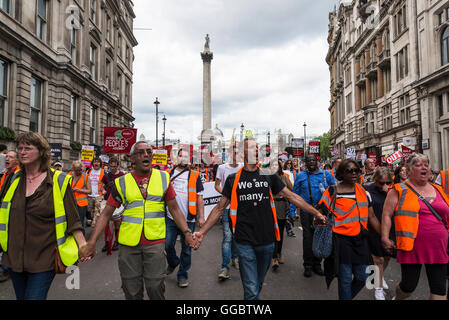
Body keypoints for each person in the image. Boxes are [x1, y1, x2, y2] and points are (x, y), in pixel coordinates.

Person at [193, 138, 327, 300]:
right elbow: (219, 208)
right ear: (242, 154)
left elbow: (291, 196)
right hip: (244, 240)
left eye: (258, 148)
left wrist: (316, 213)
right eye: (252, 148)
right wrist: (202, 232)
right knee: (251, 291)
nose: (257, 150)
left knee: (257, 284)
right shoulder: (233, 179)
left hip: (267, 241)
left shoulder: (268, 175)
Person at [83, 141, 198, 300]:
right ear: (132, 159)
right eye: (141, 152)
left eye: (149, 152)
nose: (146, 155)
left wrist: (186, 232)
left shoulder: (164, 178)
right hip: (129, 245)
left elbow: (175, 209)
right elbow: (106, 213)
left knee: (155, 287)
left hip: (155, 243)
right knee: (131, 291)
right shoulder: (121, 182)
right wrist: (91, 242)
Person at [0, 132, 89, 300]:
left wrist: (83, 245)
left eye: (28, 148)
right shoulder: (12, 179)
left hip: (44, 257)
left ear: (41, 151)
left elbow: (73, 219)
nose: (22, 152)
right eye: (20, 148)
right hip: (14, 256)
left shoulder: (59, 180)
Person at [381, 154, 449, 300]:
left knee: (439, 290)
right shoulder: (398, 189)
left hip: (439, 246)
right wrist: (385, 237)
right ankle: (397, 298)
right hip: (411, 246)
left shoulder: (439, 189)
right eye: (418, 165)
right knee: (408, 287)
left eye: (426, 164)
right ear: (409, 170)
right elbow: (386, 215)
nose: (424, 167)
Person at [319, 159, 381, 300]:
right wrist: (320, 219)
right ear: (341, 173)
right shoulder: (332, 191)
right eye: (349, 170)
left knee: (363, 276)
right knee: (345, 280)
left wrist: (384, 236)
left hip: (360, 241)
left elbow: (371, 217)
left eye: (356, 170)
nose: (354, 173)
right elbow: (320, 213)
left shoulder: (364, 192)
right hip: (340, 242)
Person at [290, 154, 335, 277]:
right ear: (305, 162)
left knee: (320, 237)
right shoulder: (301, 176)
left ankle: (317, 264)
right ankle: (308, 265)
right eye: (308, 160)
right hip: (306, 212)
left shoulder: (326, 175)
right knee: (308, 239)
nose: (311, 162)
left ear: (317, 161)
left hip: (322, 213)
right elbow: (294, 195)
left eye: (313, 160)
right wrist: (292, 211)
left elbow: (335, 191)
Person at [166, 149, 205, 288]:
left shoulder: (195, 175)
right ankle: (173, 262)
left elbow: (200, 197)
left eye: (186, 156)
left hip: (189, 219)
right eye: (181, 156)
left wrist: (201, 216)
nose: (183, 158)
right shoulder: (168, 174)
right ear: (177, 158)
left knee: (187, 248)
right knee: (167, 244)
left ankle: (182, 275)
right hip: (171, 218)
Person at [365, 167, 395, 300]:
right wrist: (383, 235)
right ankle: (377, 288)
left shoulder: (394, 191)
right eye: (381, 183)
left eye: (388, 182)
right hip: (374, 228)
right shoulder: (368, 190)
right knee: (379, 259)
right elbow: (371, 216)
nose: (385, 186)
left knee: (387, 256)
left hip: (390, 228)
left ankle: (379, 277)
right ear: (375, 180)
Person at [214, 145, 243, 279]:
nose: (237, 155)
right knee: (227, 237)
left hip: (241, 208)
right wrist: (228, 195)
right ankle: (224, 267)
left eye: (239, 153)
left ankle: (235, 258)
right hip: (226, 207)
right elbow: (217, 185)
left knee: (237, 235)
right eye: (235, 153)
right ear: (230, 154)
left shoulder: (243, 167)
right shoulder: (222, 168)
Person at [0, 150, 19, 283]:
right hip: (3, 213)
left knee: (9, 242)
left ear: (17, 161)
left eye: (11, 157)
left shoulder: (17, 174)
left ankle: (7, 269)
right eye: (6, 156)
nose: (7, 159)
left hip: (11, 215)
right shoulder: (6, 173)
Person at [100, 157, 125, 254]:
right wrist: (103, 190)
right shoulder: (106, 176)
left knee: (117, 223)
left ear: (118, 166)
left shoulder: (122, 175)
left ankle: (117, 241)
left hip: (118, 202)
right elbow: (102, 186)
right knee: (106, 224)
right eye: (111, 166)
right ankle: (107, 242)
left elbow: (124, 188)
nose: (113, 168)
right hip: (107, 201)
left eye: (114, 166)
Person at [272, 159, 293, 270]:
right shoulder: (268, 177)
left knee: (280, 232)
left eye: (277, 165)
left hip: (282, 207)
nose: (275, 167)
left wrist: (285, 177)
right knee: (273, 233)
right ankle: (274, 257)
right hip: (272, 206)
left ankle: (279, 253)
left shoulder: (284, 176)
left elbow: (291, 188)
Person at [69, 161, 92, 235]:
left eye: (79, 170)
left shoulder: (86, 177)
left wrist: (78, 190)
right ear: (73, 169)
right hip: (71, 203)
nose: (78, 172)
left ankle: (82, 240)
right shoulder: (69, 175)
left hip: (82, 204)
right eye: (76, 170)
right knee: (71, 221)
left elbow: (90, 191)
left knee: (81, 222)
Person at [87, 157, 105, 228]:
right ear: (93, 163)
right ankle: (92, 221)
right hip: (90, 195)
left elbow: (105, 182)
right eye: (94, 162)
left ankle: (95, 226)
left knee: (97, 212)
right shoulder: (89, 171)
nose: (96, 163)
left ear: (100, 164)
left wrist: (104, 189)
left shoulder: (103, 172)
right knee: (90, 211)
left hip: (99, 195)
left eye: (98, 162)